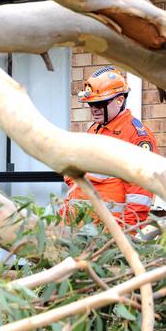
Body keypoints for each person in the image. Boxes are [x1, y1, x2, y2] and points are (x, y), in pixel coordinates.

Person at [64, 65, 157, 228]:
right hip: (78, 229)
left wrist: (122, 236)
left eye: (100, 103)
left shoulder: (136, 136)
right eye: (91, 104)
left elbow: (140, 198)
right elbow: (76, 178)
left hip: (106, 236)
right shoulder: (94, 130)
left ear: (120, 100)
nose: (94, 109)